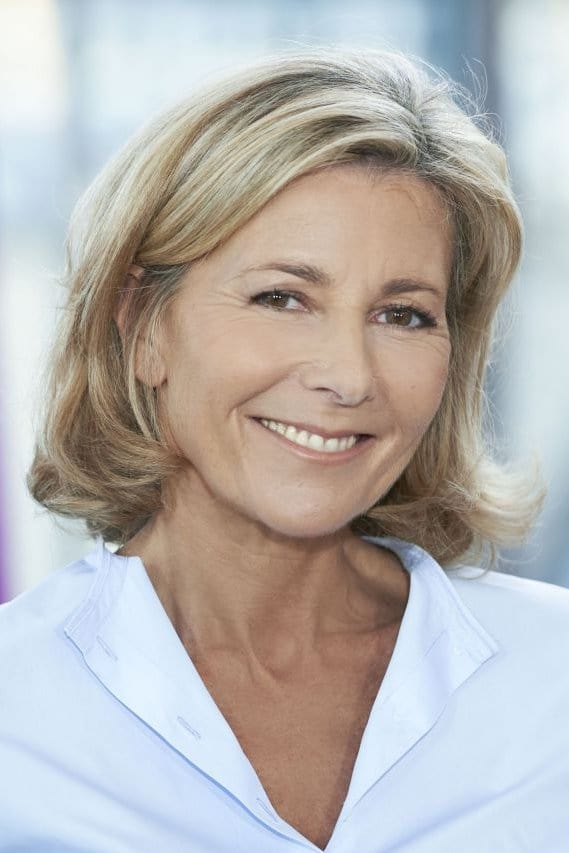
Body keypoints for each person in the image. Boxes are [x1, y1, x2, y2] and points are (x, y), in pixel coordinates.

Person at [1, 46, 568, 853]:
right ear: (143, 326)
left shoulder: (552, 677)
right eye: (282, 297)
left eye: (402, 314)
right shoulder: (16, 711)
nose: (349, 376)